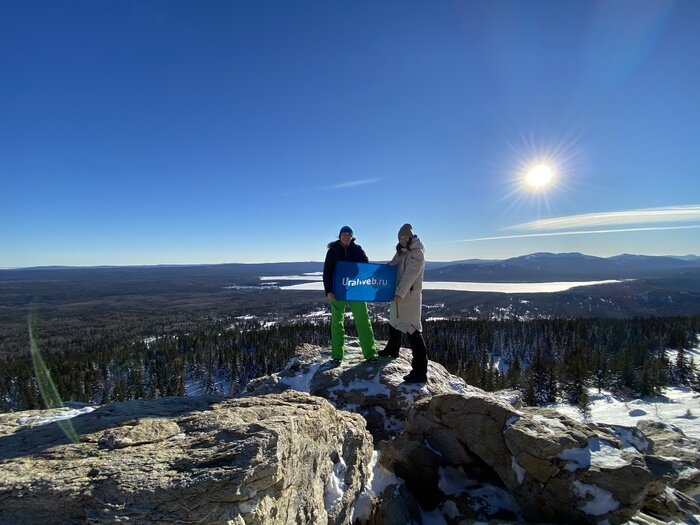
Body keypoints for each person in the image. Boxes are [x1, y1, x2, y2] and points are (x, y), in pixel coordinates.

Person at [378, 223, 429, 383]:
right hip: (398, 295)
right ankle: (392, 349)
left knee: (413, 331)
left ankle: (420, 371)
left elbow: (410, 275)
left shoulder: (416, 253)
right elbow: (394, 265)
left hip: (409, 297)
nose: (403, 240)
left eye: (405, 237)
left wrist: (400, 293)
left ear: (411, 237)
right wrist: (389, 266)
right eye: (401, 237)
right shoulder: (401, 252)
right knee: (394, 322)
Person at [323, 225, 378, 364]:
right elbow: (327, 272)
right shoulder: (332, 251)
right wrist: (328, 291)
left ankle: (370, 354)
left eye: (349, 235)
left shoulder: (357, 249)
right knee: (337, 322)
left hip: (356, 289)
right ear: (340, 236)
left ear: (352, 237)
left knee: (363, 320)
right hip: (337, 291)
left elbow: (365, 265)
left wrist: (353, 267)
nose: (346, 237)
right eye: (344, 234)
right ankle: (337, 355)